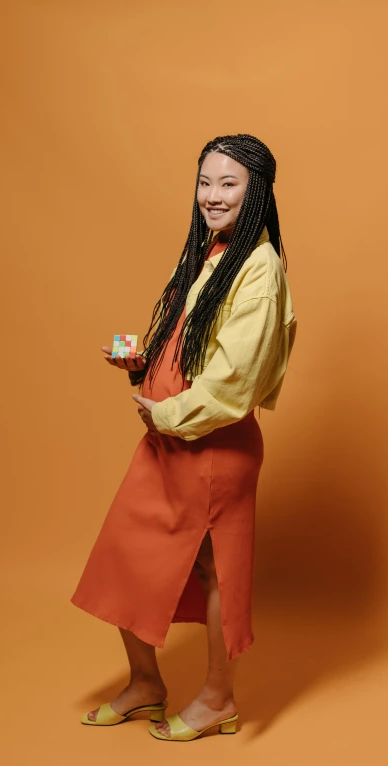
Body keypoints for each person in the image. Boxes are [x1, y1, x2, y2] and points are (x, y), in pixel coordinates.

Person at [71, 133, 297, 742]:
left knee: (214, 571)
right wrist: (142, 365)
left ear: (257, 192)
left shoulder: (260, 268)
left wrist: (166, 415)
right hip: (170, 438)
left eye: (229, 183)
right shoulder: (206, 252)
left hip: (214, 446)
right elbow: (186, 343)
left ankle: (219, 699)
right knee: (128, 551)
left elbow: (234, 380)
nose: (212, 196)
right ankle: (146, 683)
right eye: (205, 182)